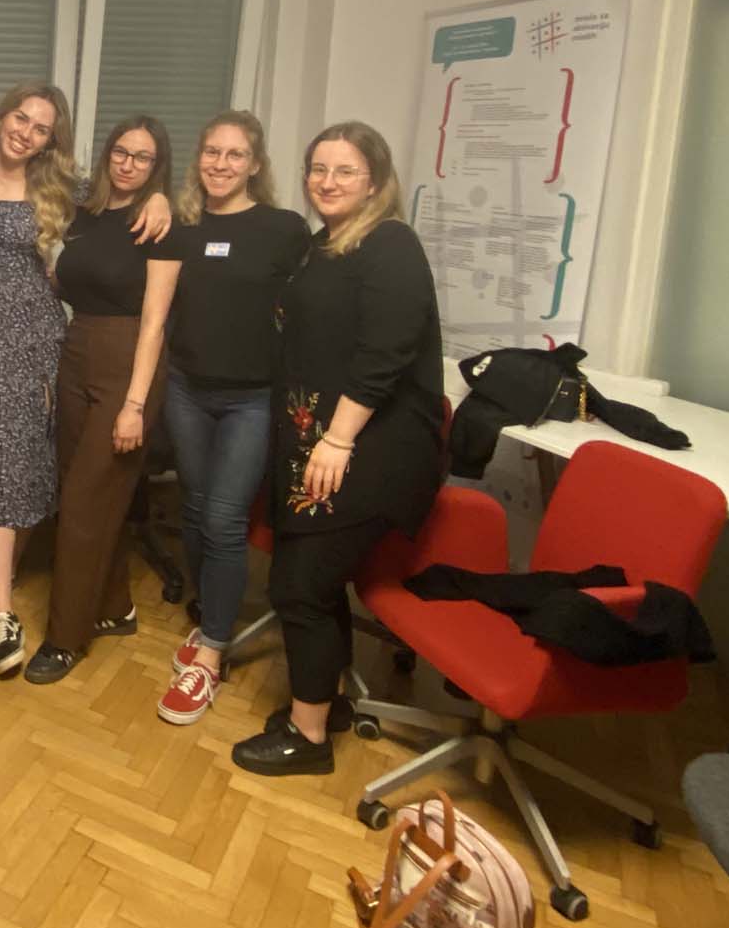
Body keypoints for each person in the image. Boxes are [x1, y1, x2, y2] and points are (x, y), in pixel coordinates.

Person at [231, 121, 444, 777]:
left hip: (366, 446)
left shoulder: (390, 244)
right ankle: (327, 702)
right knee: (312, 582)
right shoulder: (323, 245)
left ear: (374, 181)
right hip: (317, 440)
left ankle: (309, 738)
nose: (327, 181)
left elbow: (384, 354)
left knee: (300, 584)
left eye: (345, 170)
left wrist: (337, 439)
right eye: (318, 169)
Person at [0, 84, 168, 676]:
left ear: (49, 141)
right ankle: (2, 585)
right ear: (3, 116)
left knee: (27, 463)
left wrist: (163, 197)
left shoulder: (58, 190)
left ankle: (3, 603)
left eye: (42, 128)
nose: (27, 133)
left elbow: (120, 195)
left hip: (39, 343)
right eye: (22, 118)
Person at [149, 112, 310, 724]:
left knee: (222, 518)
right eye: (212, 152)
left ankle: (212, 652)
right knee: (193, 509)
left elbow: (312, 306)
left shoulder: (283, 229)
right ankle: (209, 614)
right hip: (188, 391)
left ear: (255, 164)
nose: (221, 164)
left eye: (234, 154)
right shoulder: (183, 225)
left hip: (252, 399)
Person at [25, 116, 177, 684]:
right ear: (108, 153)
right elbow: (70, 280)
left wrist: (135, 405)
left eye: (142, 157)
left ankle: (64, 639)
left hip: (128, 362)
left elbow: (156, 321)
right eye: (121, 151)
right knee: (84, 490)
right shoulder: (86, 215)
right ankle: (115, 607)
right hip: (77, 350)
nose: (129, 164)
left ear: (157, 165)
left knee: (85, 502)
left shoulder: (161, 223)